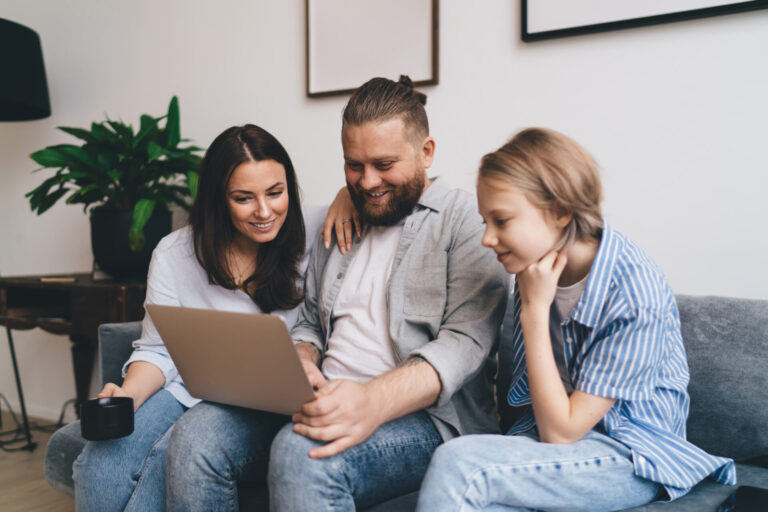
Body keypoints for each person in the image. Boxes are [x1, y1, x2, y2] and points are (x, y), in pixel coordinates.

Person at [415, 128, 736, 511]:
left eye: (501, 221)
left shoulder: (635, 293)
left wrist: (534, 312)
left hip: (631, 456)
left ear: (561, 212)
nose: (487, 238)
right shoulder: (536, 271)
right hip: (557, 448)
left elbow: (561, 432)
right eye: (485, 222)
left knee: (459, 464)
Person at [263, 75, 510, 511]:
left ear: (426, 152)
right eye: (353, 166)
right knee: (206, 431)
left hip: (428, 421)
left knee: (300, 453)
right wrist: (301, 360)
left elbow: (464, 344)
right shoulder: (343, 219)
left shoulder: (467, 221)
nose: (367, 181)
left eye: (383, 164)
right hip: (328, 396)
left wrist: (370, 401)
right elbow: (309, 324)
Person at [72, 124, 334, 511]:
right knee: (100, 463)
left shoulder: (316, 229)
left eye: (275, 193)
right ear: (217, 199)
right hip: (187, 391)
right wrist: (127, 395)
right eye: (244, 198)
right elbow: (157, 350)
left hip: (269, 406)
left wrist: (345, 197)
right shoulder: (175, 253)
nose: (264, 211)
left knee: (168, 456)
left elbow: (367, 196)